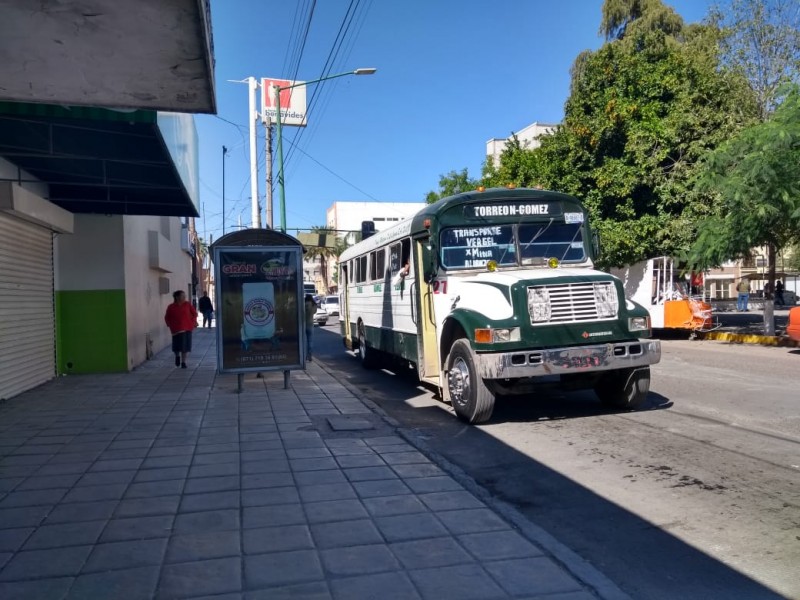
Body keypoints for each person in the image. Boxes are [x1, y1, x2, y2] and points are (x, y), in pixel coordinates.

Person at [164, 290, 197, 368]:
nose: (184, 297)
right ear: (177, 297)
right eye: (183, 296)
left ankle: (183, 362)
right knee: (176, 345)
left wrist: (192, 321)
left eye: (184, 295)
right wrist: (170, 325)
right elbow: (167, 317)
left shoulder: (187, 305)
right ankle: (177, 356)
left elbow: (194, 314)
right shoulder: (171, 307)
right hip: (176, 329)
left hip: (187, 328)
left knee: (185, 346)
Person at [304, 294, 317, 362]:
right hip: (310, 324)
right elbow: (314, 312)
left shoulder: (303, 304)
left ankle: (304, 356)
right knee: (310, 341)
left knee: (303, 341)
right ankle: (309, 356)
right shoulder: (313, 305)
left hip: (303, 324)